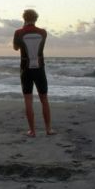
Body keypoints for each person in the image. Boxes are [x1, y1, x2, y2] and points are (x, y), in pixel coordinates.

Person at [13, 9, 55, 137]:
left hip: (25, 69)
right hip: (39, 68)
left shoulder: (19, 32)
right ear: (36, 19)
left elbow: (16, 48)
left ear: (24, 18)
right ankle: (48, 129)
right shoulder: (43, 32)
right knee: (44, 99)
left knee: (28, 100)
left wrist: (23, 28)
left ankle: (32, 131)